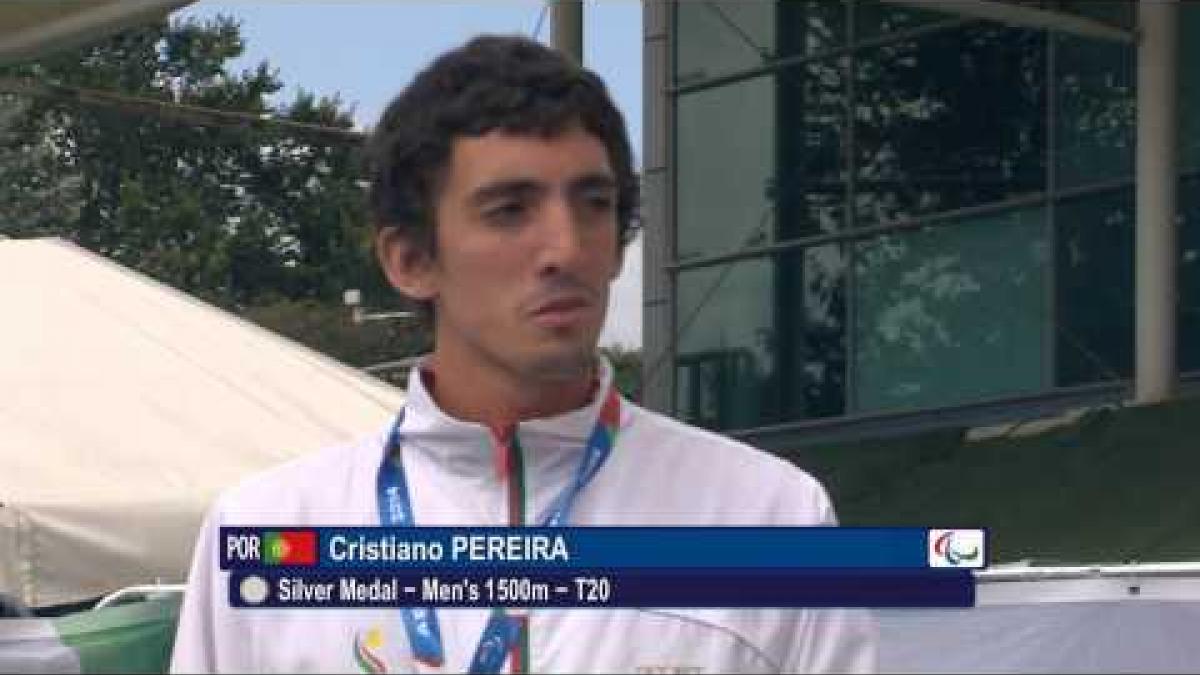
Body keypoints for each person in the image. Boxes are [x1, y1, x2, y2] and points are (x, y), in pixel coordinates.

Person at [171, 35, 877, 674]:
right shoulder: (266, 532)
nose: (566, 249)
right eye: (510, 209)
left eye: (594, 204)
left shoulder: (769, 519)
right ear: (411, 258)